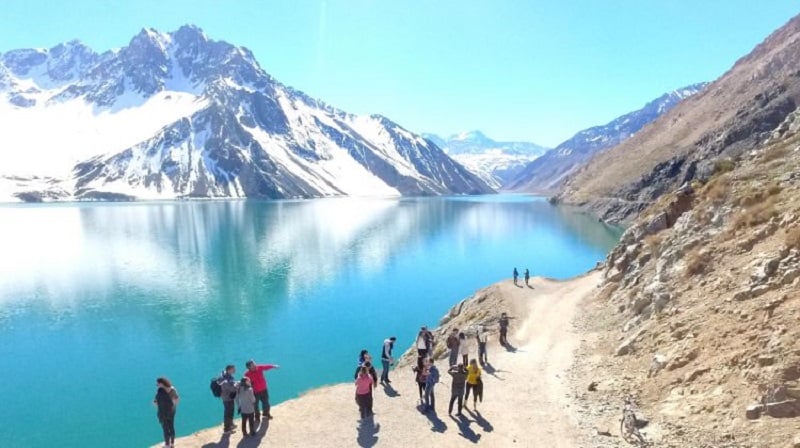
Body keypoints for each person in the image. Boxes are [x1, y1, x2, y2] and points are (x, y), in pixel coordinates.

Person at [153, 377, 179, 448]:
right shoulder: (172, 389)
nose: (157, 385)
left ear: (161, 383)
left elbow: (155, 403)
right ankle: (172, 443)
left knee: (165, 428)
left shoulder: (160, 391)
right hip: (171, 411)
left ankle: (167, 445)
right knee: (171, 426)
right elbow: (176, 399)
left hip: (163, 412)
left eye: (157, 384)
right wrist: (172, 407)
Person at [217, 365, 238, 433]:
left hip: (230, 397)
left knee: (231, 410)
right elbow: (231, 388)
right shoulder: (224, 379)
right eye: (233, 369)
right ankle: (226, 428)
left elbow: (232, 384)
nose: (235, 370)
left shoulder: (228, 375)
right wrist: (237, 385)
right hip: (226, 398)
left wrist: (235, 384)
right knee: (228, 412)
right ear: (229, 369)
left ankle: (231, 424)